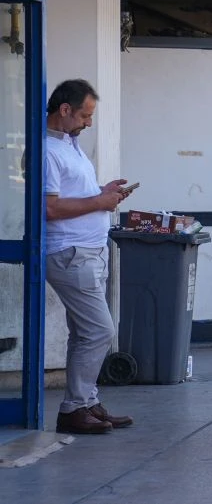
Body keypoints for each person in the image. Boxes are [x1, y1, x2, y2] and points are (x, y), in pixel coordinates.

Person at [43, 79, 134, 434]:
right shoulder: (47, 150)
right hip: (69, 252)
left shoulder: (70, 144)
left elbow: (73, 195)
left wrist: (101, 192)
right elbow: (49, 208)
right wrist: (99, 202)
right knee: (99, 330)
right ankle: (73, 408)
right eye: (85, 115)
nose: (88, 123)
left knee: (83, 332)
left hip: (89, 250)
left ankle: (87, 401)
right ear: (64, 110)